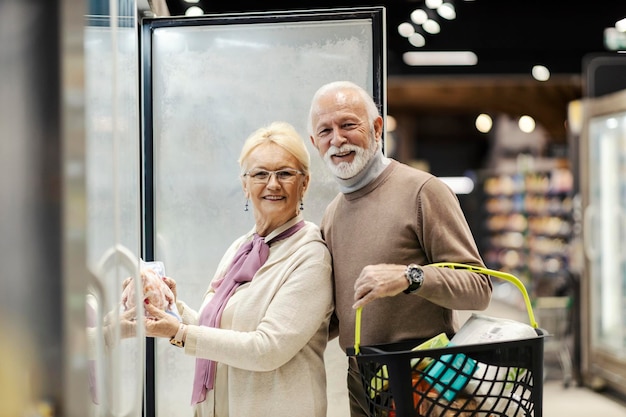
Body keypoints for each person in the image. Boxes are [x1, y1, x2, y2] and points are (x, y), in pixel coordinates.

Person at [307, 81, 493, 416]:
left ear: (377, 128)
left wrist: (411, 277)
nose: (337, 139)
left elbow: (478, 289)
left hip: (425, 378)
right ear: (314, 143)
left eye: (349, 125)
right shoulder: (332, 214)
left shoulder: (423, 191)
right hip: (360, 377)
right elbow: (338, 315)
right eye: (325, 131)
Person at [142, 121, 334, 417]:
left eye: (284, 173)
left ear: (304, 183)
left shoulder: (311, 256)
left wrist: (180, 332)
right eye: (260, 174)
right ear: (244, 184)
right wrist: (169, 306)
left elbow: (267, 349)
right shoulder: (241, 247)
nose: (272, 184)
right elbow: (219, 329)